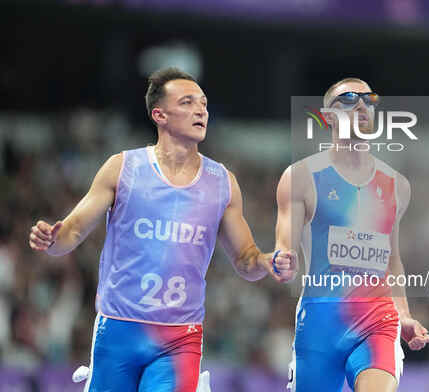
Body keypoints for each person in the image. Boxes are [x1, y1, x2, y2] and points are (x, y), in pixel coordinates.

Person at [28, 67, 297, 392]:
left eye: (204, 104)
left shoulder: (222, 183)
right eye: (187, 102)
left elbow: (245, 261)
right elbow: (70, 232)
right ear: (160, 115)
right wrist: (52, 239)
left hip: (179, 337)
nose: (201, 110)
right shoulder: (122, 168)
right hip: (118, 331)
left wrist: (266, 261)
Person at [275, 78, 429, 391]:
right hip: (320, 323)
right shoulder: (302, 176)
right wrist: (282, 258)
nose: (361, 105)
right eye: (347, 98)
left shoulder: (396, 184)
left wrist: (405, 314)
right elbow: (284, 243)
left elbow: (392, 260)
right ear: (327, 116)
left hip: (377, 319)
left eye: (368, 99)